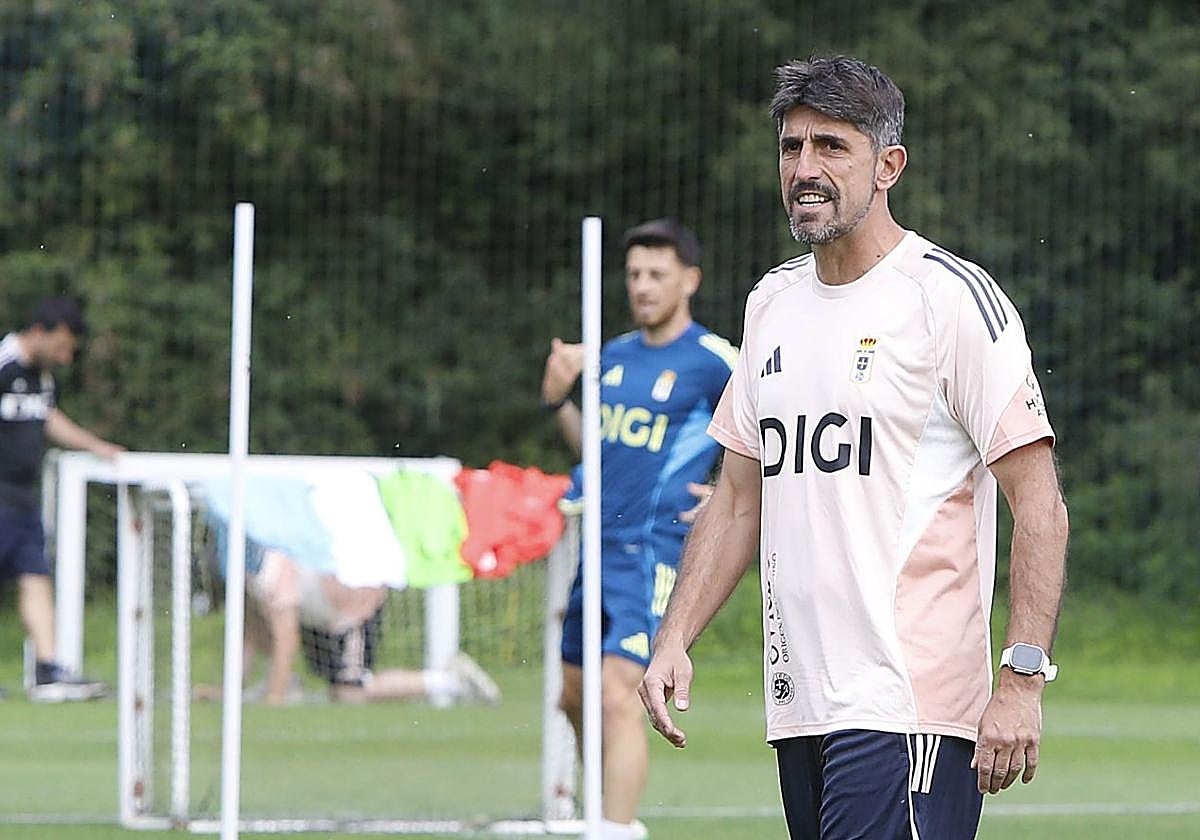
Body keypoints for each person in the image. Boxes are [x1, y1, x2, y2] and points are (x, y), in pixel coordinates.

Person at [638, 55, 1069, 840]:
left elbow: (1038, 503)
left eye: (831, 146)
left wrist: (1022, 677)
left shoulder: (948, 299)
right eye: (791, 147)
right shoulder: (771, 302)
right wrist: (675, 638)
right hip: (801, 703)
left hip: (908, 706)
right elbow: (736, 498)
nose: (805, 168)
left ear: (888, 165)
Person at [540, 219, 737, 839]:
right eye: (633, 274)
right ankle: (604, 811)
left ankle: (615, 828)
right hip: (594, 549)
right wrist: (559, 401)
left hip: (653, 551)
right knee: (575, 697)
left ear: (689, 280)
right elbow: (595, 453)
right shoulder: (614, 357)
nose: (643, 286)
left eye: (657, 274)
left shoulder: (715, 362)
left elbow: (768, 437)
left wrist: (729, 490)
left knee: (615, 693)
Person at [0, 297, 123, 702]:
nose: (65, 358)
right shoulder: (4, 364)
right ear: (39, 332)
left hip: (22, 499)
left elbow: (47, 418)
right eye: (61, 347)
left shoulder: (43, 378)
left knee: (35, 577)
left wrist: (95, 446)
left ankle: (48, 671)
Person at [211, 544, 501, 706]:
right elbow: (249, 635)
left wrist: (275, 698)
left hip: (352, 607)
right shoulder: (250, 573)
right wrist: (229, 689)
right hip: (321, 613)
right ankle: (285, 683)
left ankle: (451, 680)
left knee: (350, 692)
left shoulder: (268, 575)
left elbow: (286, 638)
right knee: (336, 688)